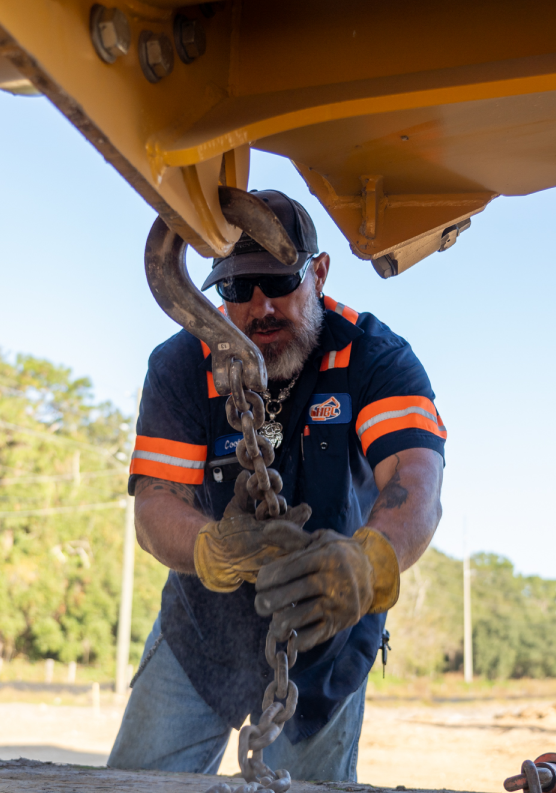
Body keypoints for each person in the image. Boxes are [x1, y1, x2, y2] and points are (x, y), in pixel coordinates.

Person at [108, 190, 445, 781]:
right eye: (238, 290)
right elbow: (156, 504)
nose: (260, 306)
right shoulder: (183, 365)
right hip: (201, 636)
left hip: (328, 629)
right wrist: (211, 549)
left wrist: (369, 563)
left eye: (278, 282)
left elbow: (415, 483)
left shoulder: (373, 357)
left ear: (317, 273)